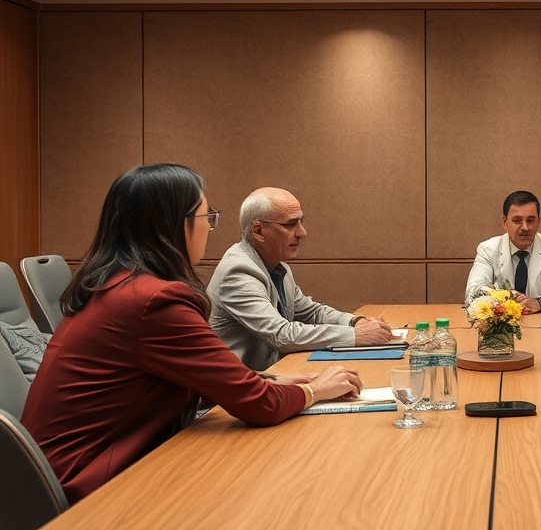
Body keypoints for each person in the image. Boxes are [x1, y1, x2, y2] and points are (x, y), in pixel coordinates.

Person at [21, 164, 362, 504]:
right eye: (206, 217)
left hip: (52, 479)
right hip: (85, 488)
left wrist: (268, 380)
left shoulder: (114, 284)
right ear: (172, 224)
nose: (210, 229)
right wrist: (314, 391)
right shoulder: (154, 301)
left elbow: (171, 381)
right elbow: (261, 406)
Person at [207, 188, 393, 372]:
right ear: (258, 231)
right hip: (236, 387)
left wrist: (354, 321)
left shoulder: (277, 265)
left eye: (300, 222)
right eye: (290, 224)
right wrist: (354, 335)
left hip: (271, 376)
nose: (302, 232)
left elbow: (312, 313)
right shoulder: (239, 272)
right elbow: (280, 334)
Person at [465, 190, 541, 314]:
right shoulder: (488, 249)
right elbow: (473, 291)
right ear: (504, 222)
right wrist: (506, 297)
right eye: (517, 220)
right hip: (502, 321)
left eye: (530, 220)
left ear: (539, 222)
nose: (525, 227)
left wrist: (539, 302)